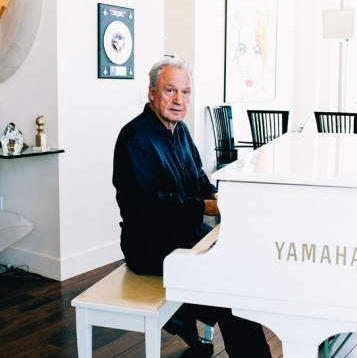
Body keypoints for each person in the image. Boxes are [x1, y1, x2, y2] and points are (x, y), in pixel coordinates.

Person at [113, 59, 272, 358]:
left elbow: (198, 177)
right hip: (150, 245)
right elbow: (150, 205)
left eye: (185, 92)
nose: (179, 100)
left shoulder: (181, 130)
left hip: (186, 235)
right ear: (151, 92)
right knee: (231, 289)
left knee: (243, 264)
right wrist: (208, 206)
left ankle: (184, 316)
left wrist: (215, 195)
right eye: (170, 90)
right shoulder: (133, 138)